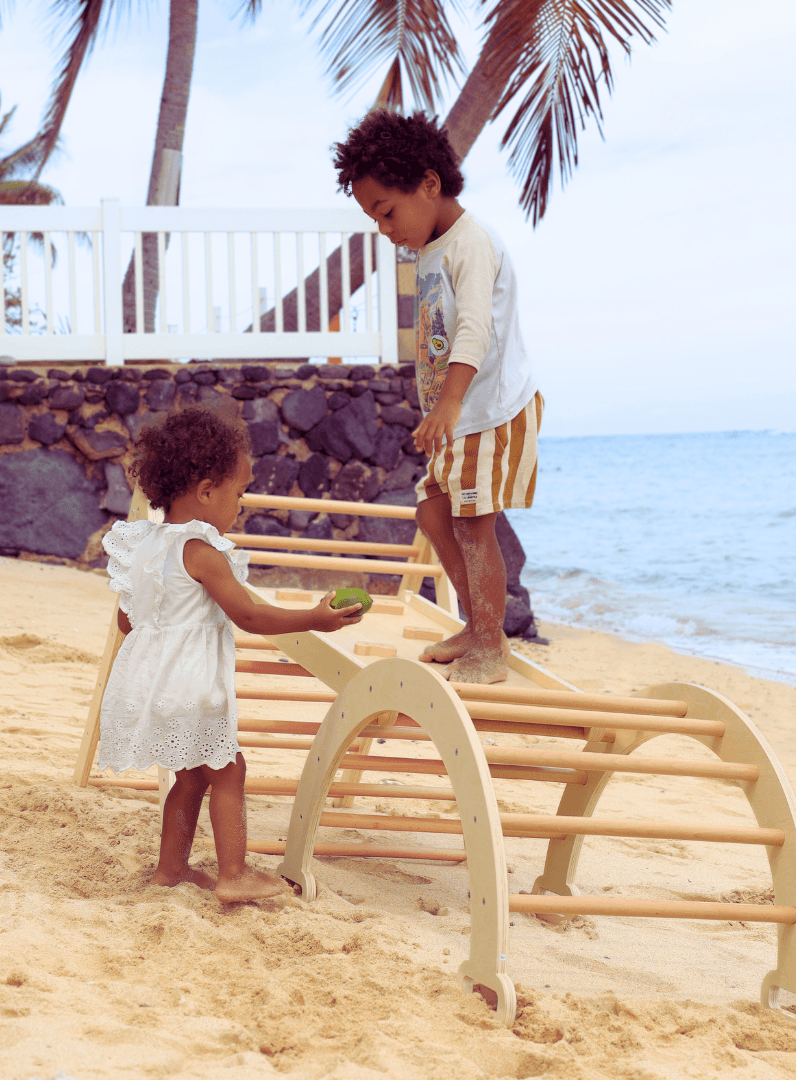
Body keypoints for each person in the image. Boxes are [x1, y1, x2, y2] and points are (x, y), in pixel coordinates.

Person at [99, 407, 363, 903]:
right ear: (204, 491)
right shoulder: (201, 551)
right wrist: (315, 617)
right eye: (238, 493)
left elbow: (126, 621)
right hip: (193, 683)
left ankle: (170, 869)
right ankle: (234, 873)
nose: (240, 506)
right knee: (228, 769)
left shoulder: (145, 545)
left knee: (191, 774)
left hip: (151, 682)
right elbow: (250, 616)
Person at [333, 110, 543, 684]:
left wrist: (448, 404)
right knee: (432, 510)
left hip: (489, 410)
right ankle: (480, 628)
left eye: (386, 212)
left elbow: (473, 328)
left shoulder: (470, 244)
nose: (384, 229)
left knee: (475, 523)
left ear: (429, 184)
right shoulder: (430, 250)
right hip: (459, 414)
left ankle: (490, 646)